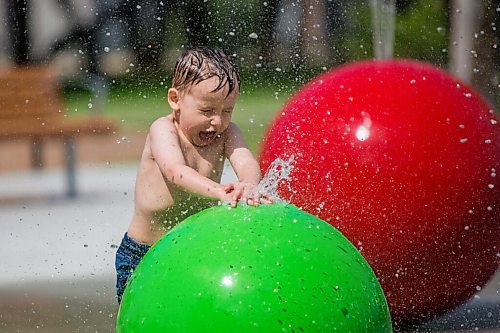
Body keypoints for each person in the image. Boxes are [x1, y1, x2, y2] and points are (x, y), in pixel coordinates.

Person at [115, 46, 272, 303]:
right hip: (144, 252)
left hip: (194, 249)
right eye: (207, 110)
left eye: (227, 110)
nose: (217, 122)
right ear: (175, 99)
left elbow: (246, 160)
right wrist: (220, 191)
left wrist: (249, 185)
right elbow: (175, 171)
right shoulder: (163, 130)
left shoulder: (227, 133)